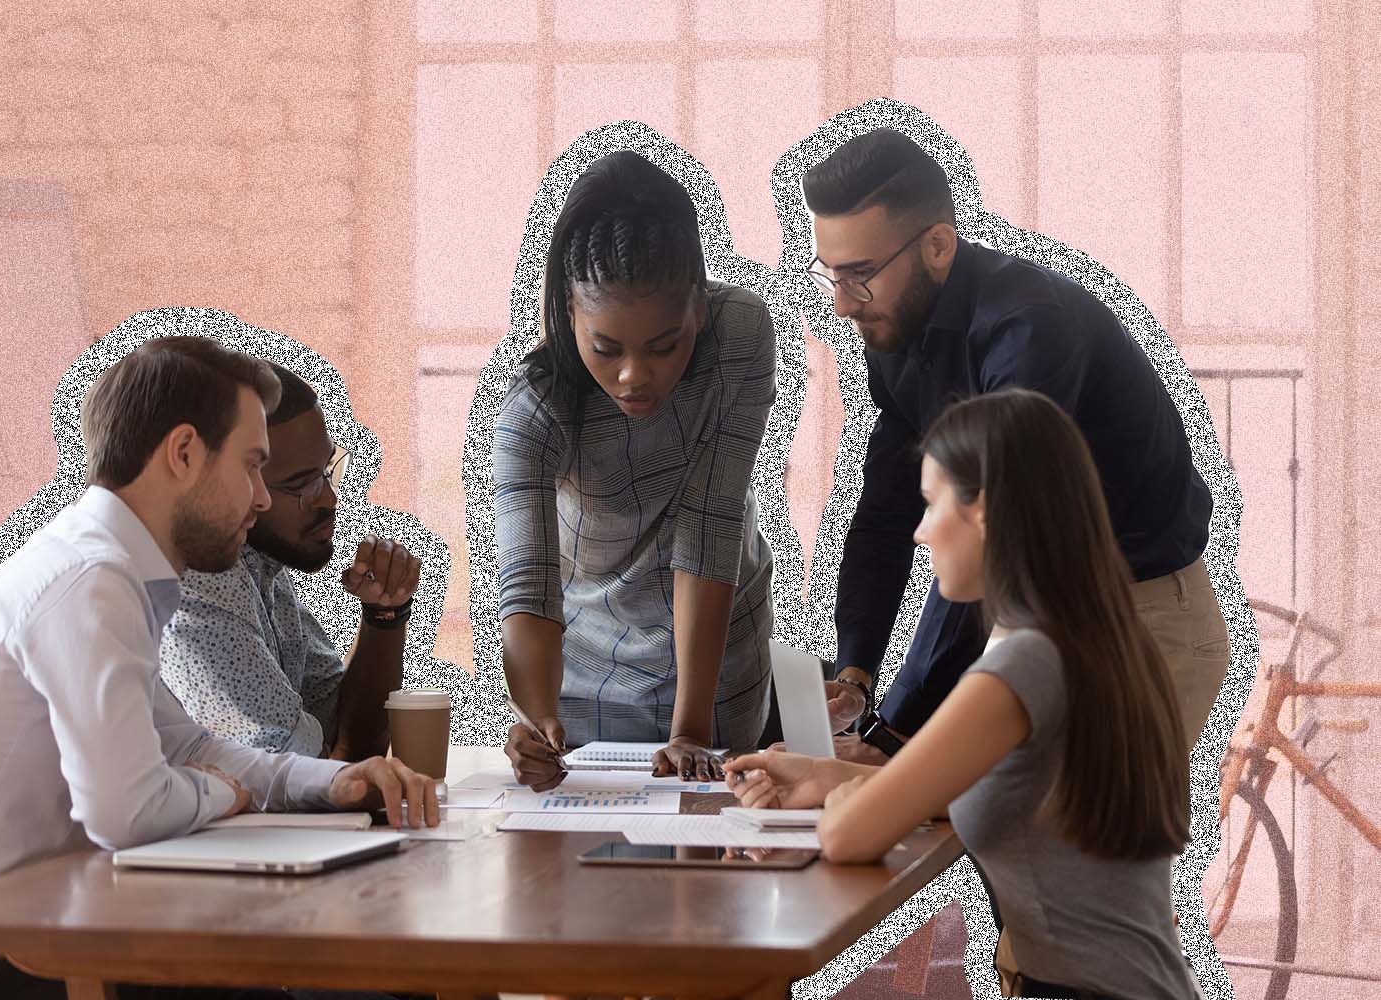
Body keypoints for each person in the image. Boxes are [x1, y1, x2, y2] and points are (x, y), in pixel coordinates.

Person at [0, 335, 438, 998]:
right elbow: (126, 811)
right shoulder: (87, 579)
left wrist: (336, 782)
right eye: (253, 466)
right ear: (182, 454)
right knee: (323, 978)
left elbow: (188, 747)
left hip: (13, 926)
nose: (262, 499)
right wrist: (221, 795)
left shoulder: (111, 570)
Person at [726, 389, 1199, 999]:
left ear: (986, 510)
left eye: (929, 503)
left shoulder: (1021, 665)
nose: (920, 534)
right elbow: (1012, 798)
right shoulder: (1099, 640)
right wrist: (824, 773)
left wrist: (845, 798)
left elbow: (848, 837)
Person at [802, 128, 1227, 763]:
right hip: (1025, 620)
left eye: (860, 276)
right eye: (832, 275)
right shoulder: (896, 325)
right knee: (977, 844)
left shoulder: (1029, 328)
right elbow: (888, 510)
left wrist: (894, 735)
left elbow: (993, 528)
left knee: (1072, 859)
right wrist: (856, 674)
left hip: (1134, 623)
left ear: (939, 245)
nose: (841, 303)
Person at [494, 150, 777, 789]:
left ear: (698, 311)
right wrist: (536, 721)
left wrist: (690, 731)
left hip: (717, 665)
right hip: (585, 668)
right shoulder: (533, 414)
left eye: (662, 346)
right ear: (569, 314)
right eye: (606, 348)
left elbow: (710, 522)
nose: (634, 376)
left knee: (710, 856)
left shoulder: (739, 337)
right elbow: (527, 587)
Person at [160, 361, 422, 763]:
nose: (330, 499)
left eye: (326, 471)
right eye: (303, 484)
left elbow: (347, 735)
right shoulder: (198, 584)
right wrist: (347, 760)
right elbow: (319, 778)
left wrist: (384, 613)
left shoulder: (262, 563)